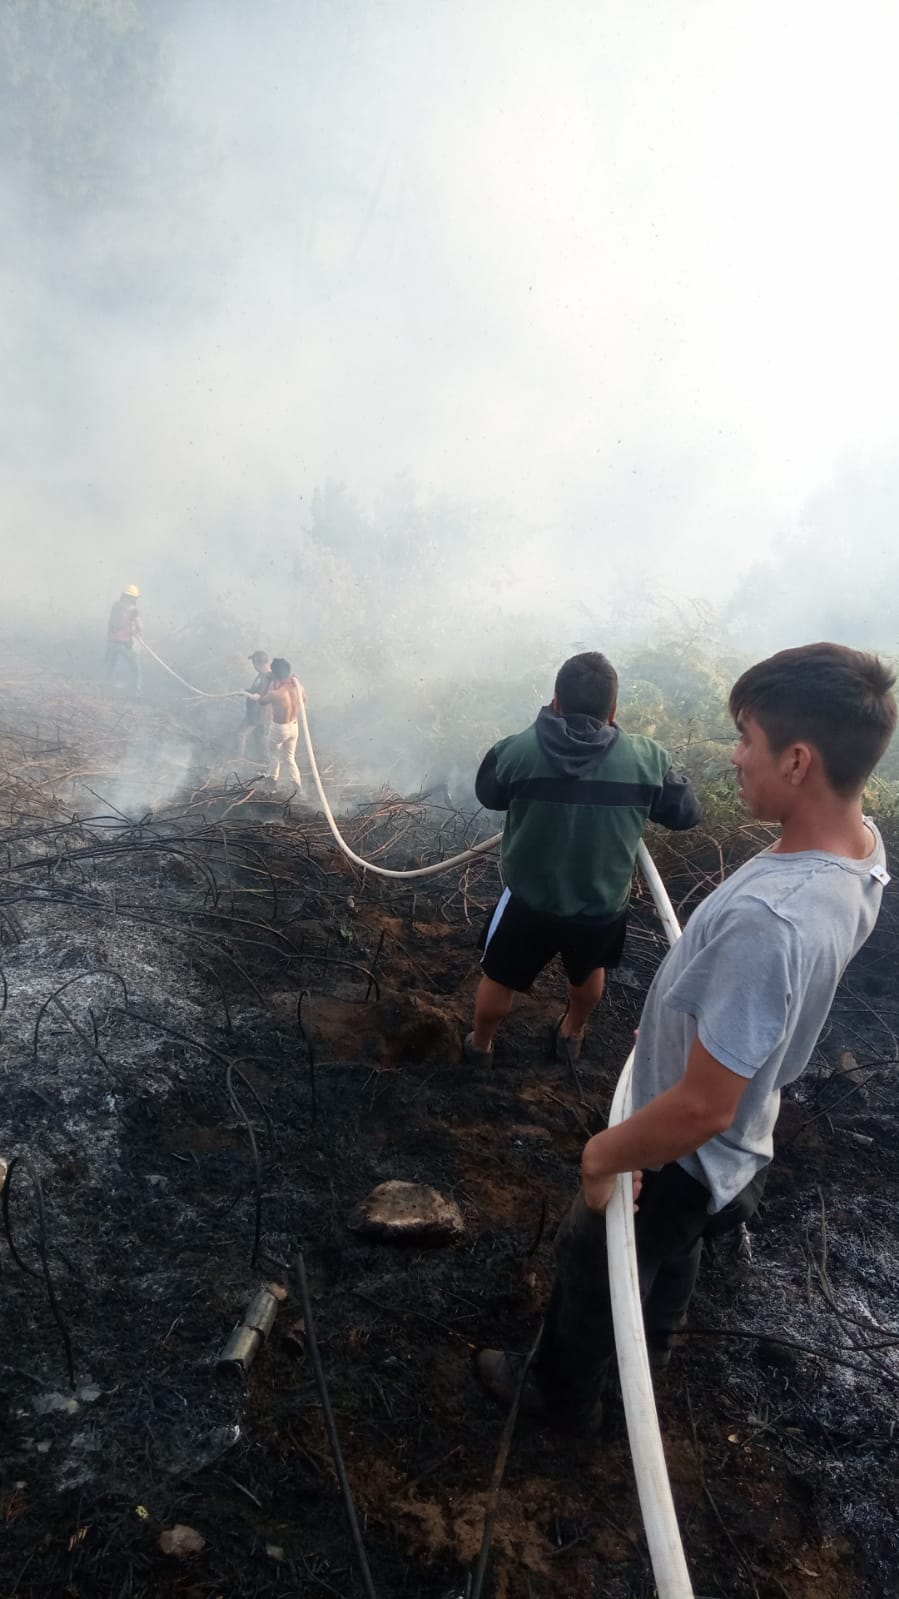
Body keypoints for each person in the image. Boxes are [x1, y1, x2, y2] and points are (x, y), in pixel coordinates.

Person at [476, 643, 897, 1431]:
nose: (735, 757)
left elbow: (701, 1106)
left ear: (799, 760)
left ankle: (559, 1398)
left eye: (747, 739)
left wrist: (604, 1154)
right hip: (740, 1142)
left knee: (593, 1249)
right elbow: (744, 1028)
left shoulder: (771, 919)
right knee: (680, 1240)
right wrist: (683, 1015)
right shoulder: (858, 852)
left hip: (686, 1146)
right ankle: (656, 1342)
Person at [464, 651, 701, 1066]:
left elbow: (489, 796)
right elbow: (686, 815)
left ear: (556, 702)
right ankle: (571, 1033)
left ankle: (480, 1045)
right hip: (600, 907)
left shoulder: (517, 750)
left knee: (499, 977)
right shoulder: (648, 759)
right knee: (589, 974)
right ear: (613, 709)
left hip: (530, 902)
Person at [247, 657, 304, 789]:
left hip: (279, 728)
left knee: (274, 755)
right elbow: (303, 700)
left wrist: (267, 682)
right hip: (294, 726)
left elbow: (261, 701)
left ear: (275, 674)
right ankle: (297, 786)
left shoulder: (276, 694)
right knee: (290, 758)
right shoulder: (298, 687)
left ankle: (271, 783)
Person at [106, 584, 143, 696]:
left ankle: (107, 687)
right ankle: (136, 690)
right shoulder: (132, 611)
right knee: (136, 667)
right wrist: (135, 629)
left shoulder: (116, 606)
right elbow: (140, 628)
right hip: (123, 643)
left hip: (113, 641)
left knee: (111, 665)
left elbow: (112, 623)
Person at [239, 650, 272, 763]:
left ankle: (239, 760)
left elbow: (260, 696)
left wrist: (248, 694)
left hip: (259, 713)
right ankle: (263, 759)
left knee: (241, 733)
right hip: (256, 712)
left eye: (254, 662)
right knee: (259, 736)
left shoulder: (268, 677)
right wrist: (246, 691)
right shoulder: (261, 675)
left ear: (257, 663)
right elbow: (256, 690)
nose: (253, 665)